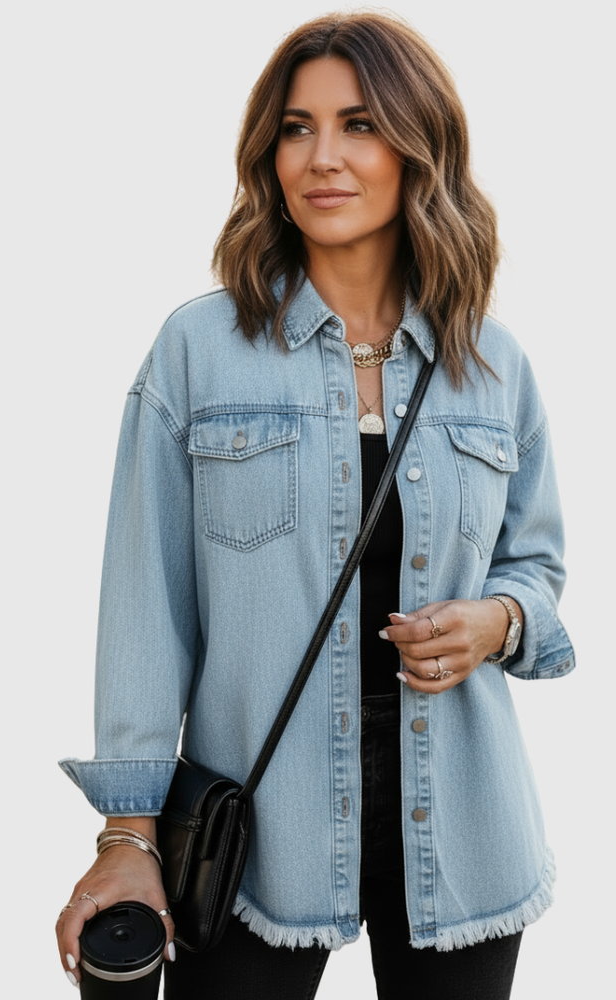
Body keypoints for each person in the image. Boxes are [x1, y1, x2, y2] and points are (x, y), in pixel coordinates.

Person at [56, 11, 574, 999]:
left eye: (359, 125)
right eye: (296, 128)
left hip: (464, 825)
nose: (321, 157)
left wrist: (498, 620)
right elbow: (144, 610)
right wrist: (127, 834)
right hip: (254, 835)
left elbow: (536, 565)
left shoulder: (493, 363)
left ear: (420, 150)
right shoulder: (197, 354)